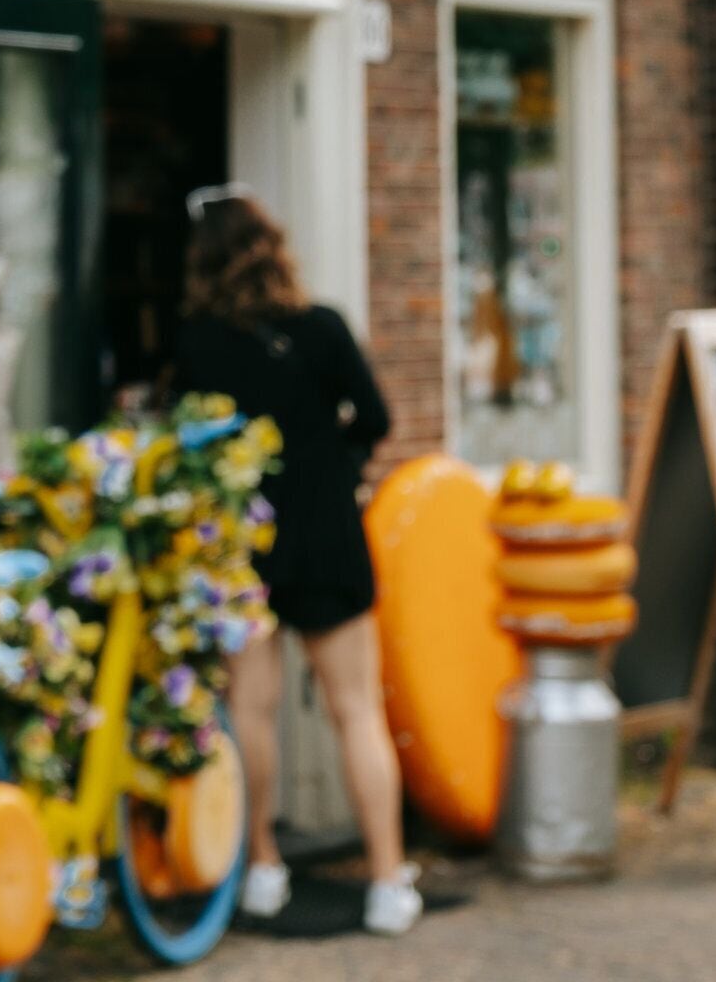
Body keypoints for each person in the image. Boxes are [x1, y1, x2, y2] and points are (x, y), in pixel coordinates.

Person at [170, 185, 422, 937]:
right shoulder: (323, 329)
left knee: (250, 710)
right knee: (356, 711)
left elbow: (191, 444)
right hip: (328, 533)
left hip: (247, 542)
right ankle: (386, 882)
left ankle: (263, 867)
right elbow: (374, 418)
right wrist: (337, 468)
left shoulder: (199, 344)